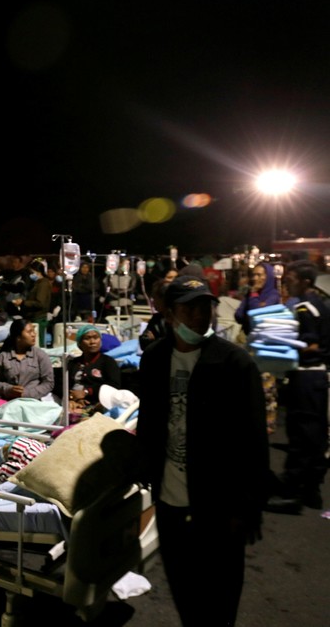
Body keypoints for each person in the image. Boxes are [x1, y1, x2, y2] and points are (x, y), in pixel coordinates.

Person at [136, 275, 268, 627]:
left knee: (221, 599)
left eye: (205, 306)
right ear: (170, 314)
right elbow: (148, 421)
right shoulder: (154, 359)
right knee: (184, 592)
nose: (200, 315)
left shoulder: (234, 364)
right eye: (189, 308)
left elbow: (254, 440)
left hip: (219, 505)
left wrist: (249, 506)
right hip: (171, 500)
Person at [266, 260, 329, 513]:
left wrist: (282, 345)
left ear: (305, 282)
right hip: (318, 378)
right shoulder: (319, 305)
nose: (287, 282)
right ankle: (311, 490)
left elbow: (311, 345)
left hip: (306, 377)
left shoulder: (304, 308)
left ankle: (292, 495)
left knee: (301, 435)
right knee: (314, 436)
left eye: (291, 278)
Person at [0, 319, 54, 401]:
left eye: (33, 331)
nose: (33, 334)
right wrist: (9, 389)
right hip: (8, 401)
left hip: (34, 401)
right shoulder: (3, 357)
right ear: (18, 337)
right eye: (29, 332)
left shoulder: (40, 356)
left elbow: (48, 383)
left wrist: (27, 393)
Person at [66, 324, 121, 420]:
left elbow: (114, 385)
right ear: (80, 344)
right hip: (73, 403)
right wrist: (71, 398)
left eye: (96, 338)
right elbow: (63, 384)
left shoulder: (108, 362)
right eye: (87, 338)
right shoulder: (73, 363)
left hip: (97, 404)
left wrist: (87, 392)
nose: (92, 342)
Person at [233, 262, 281, 337]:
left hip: (265, 337)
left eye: (259, 275)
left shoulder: (273, 295)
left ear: (268, 277)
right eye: (253, 275)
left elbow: (257, 315)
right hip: (248, 335)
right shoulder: (250, 293)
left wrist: (254, 295)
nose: (254, 278)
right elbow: (238, 316)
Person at [12, 260, 50, 347]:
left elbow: (40, 303)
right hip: (34, 316)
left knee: (38, 343)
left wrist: (23, 302)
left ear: (38, 272)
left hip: (39, 317)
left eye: (32, 272)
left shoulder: (43, 284)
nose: (31, 275)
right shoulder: (37, 283)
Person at [138, 278, 171, 353]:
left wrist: (156, 340)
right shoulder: (156, 319)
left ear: (163, 299)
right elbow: (143, 342)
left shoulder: (176, 319)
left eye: (155, 299)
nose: (153, 303)